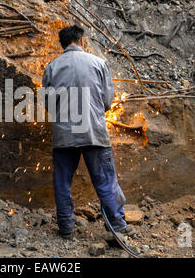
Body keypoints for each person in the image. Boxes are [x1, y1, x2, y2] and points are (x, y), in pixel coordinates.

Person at [42, 25, 134, 238]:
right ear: (81, 41)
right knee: (105, 181)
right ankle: (117, 226)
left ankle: (66, 229)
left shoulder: (52, 67)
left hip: (64, 135)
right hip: (94, 132)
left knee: (62, 182)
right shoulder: (99, 63)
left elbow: (48, 103)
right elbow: (106, 101)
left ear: (62, 44)